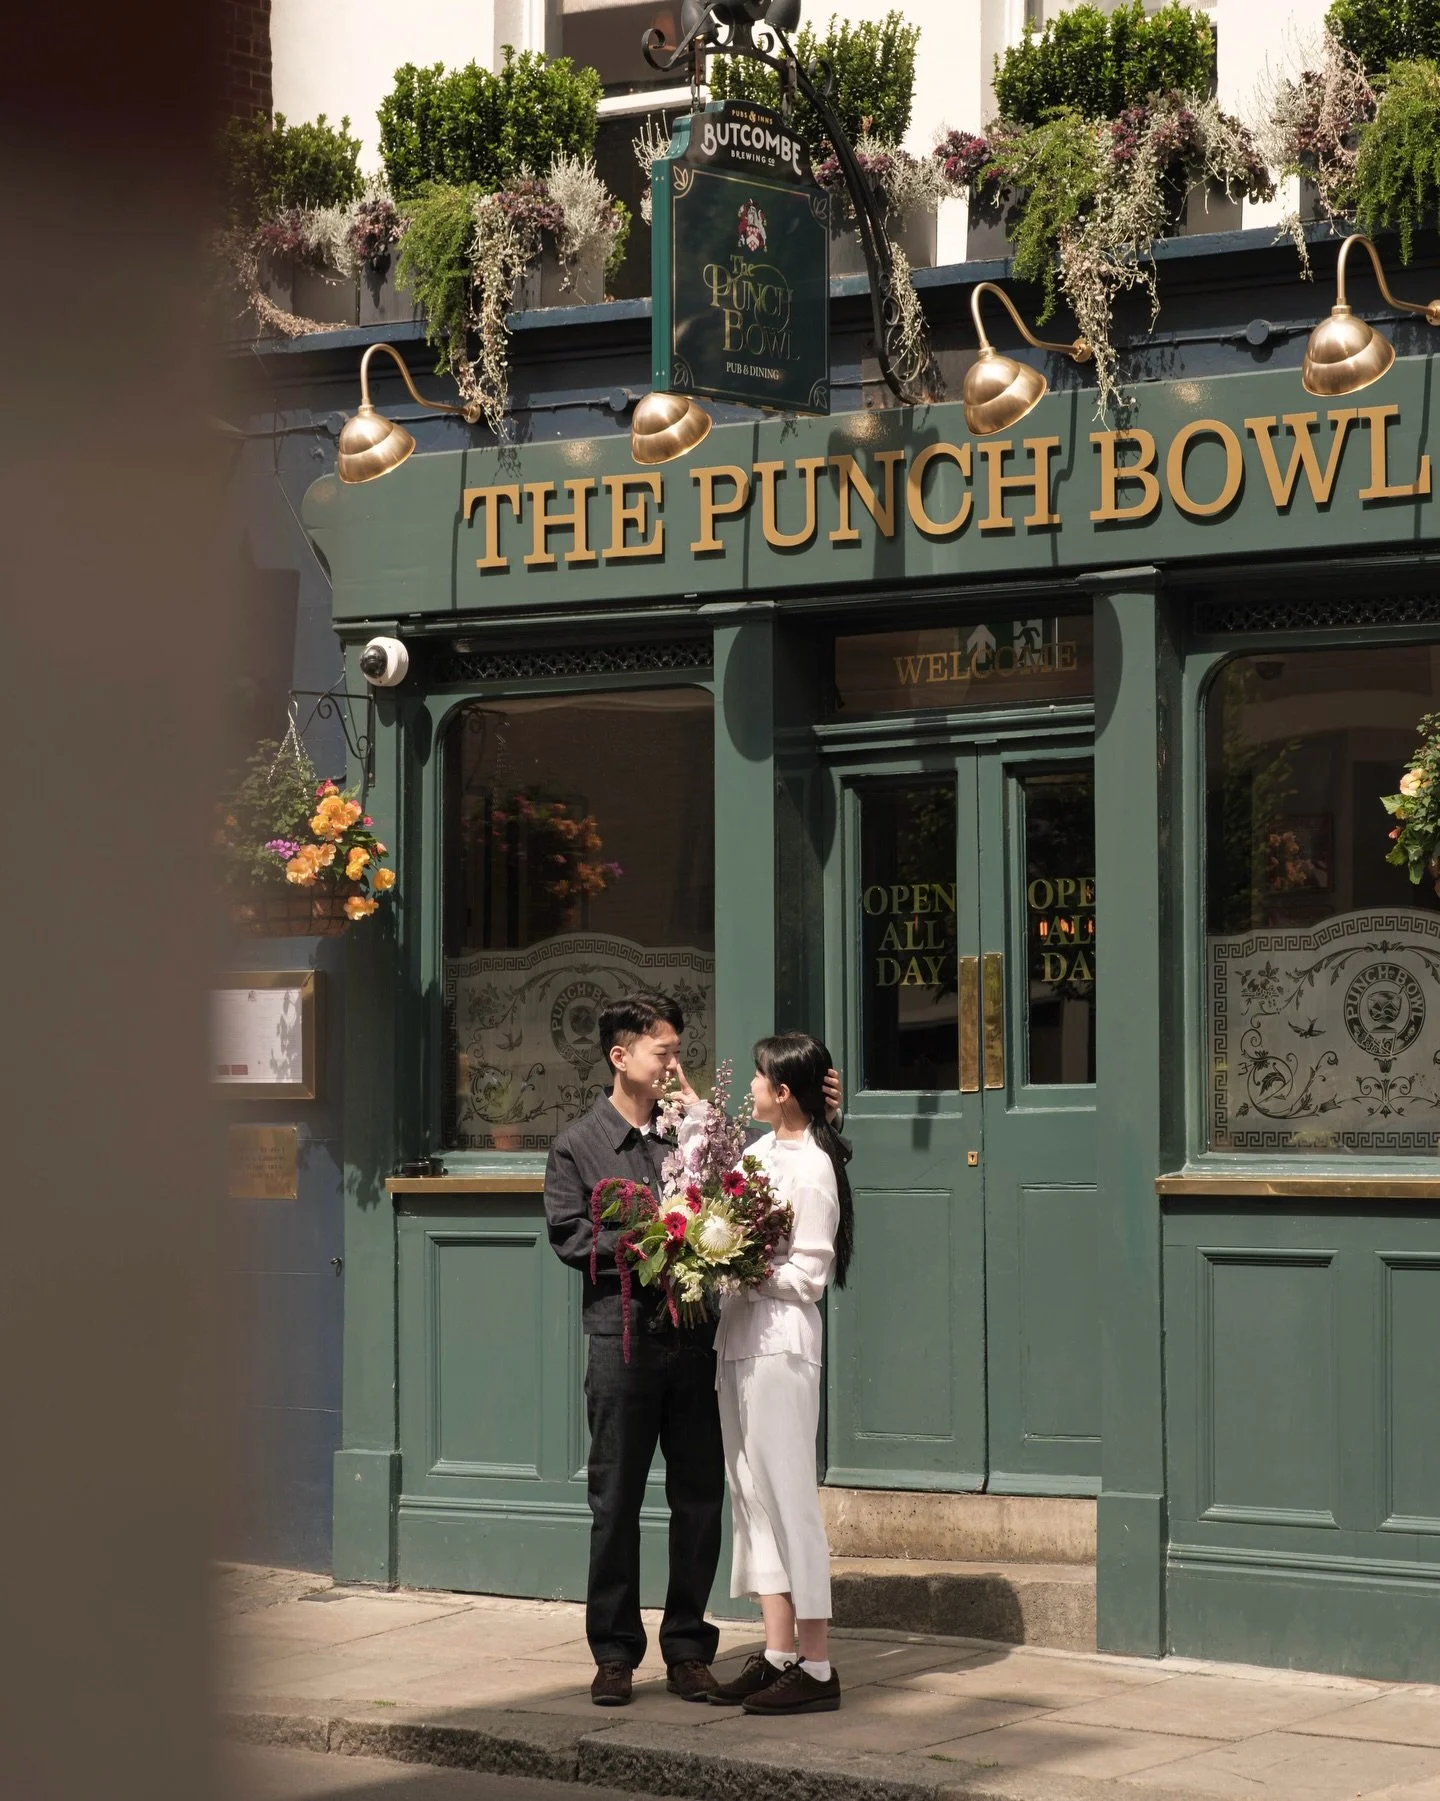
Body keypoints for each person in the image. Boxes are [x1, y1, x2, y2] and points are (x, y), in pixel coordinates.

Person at [543, 992, 722, 1707]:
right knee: (615, 1499)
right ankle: (614, 1651)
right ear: (621, 1056)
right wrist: (653, 1241)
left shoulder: (688, 1132)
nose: (675, 1062)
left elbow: (732, 1192)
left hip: (695, 1338)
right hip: (622, 1343)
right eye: (663, 1051)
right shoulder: (577, 1144)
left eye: (678, 1049)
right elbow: (570, 1236)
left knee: (700, 1498)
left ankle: (687, 1646)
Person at [701, 1032, 855, 1716]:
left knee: (790, 1495)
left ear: (783, 1090)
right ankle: (778, 1649)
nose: (751, 1089)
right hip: (738, 1336)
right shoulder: (755, 1155)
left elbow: (812, 1273)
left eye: (759, 1079)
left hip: (782, 1343)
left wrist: (742, 1264)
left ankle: (817, 1664)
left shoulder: (814, 1165)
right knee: (751, 1492)